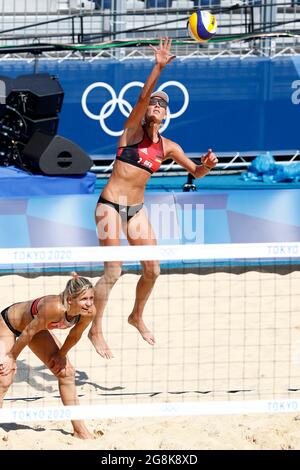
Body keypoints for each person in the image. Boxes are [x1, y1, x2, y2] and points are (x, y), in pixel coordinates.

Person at [89, 37, 218, 359]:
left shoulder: (169, 146)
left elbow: (196, 173)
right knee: (113, 272)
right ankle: (96, 328)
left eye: (161, 104)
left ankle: (136, 316)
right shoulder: (132, 132)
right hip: (109, 207)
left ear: (166, 114)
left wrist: (206, 166)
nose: (156, 105)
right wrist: (158, 66)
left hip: (136, 211)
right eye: (153, 104)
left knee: (153, 270)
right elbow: (145, 94)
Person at [0, 273, 96, 439]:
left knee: (66, 373)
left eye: (91, 298)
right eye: (84, 299)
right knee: (5, 377)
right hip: (9, 324)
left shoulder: (88, 312)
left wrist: (61, 354)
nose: (89, 303)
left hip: (36, 330)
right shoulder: (55, 308)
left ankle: (80, 431)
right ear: (70, 299)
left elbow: (75, 335)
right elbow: (27, 332)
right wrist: (12, 357)